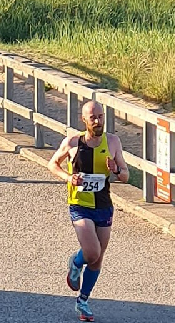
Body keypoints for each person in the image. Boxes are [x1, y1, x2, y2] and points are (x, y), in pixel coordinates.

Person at [47, 101, 129, 322]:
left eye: (101, 116)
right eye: (92, 117)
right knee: (91, 252)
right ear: (84, 119)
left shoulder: (112, 141)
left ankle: (83, 300)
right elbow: (53, 164)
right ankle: (75, 262)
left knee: (97, 258)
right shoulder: (73, 142)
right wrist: (68, 178)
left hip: (103, 205)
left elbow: (126, 176)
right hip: (80, 204)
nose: (98, 121)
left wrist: (117, 169)